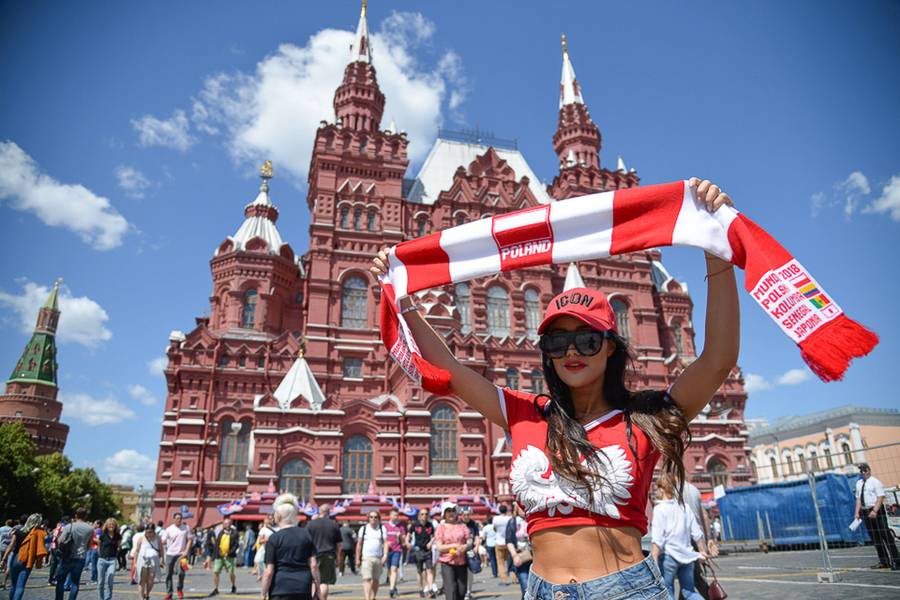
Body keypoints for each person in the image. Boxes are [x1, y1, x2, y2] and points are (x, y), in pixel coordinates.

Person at [370, 178, 737, 599]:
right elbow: (449, 368)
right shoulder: (527, 412)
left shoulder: (644, 418)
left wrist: (716, 250)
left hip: (626, 590)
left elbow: (717, 359)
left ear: (610, 347)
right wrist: (403, 298)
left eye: (587, 340)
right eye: (558, 343)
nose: (572, 352)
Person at [651, 474, 709, 600]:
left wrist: (653, 560)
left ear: (662, 489)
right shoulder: (685, 507)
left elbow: (658, 540)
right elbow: (697, 533)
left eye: (658, 488)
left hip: (668, 557)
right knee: (689, 592)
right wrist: (702, 552)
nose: (657, 492)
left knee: (667, 592)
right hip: (687, 556)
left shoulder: (659, 509)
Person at [262, 493, 320, 600]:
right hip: (303, 587)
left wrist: (263, 592)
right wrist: (317, 588)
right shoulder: (306, 535)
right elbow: (313, 565)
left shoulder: (274, 538)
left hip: (280, 588)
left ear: (278, 516)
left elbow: (269, 571)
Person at [855, 462, 900, 570]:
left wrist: (875, 510)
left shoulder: (875, 482)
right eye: (861, 471)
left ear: (869, 470)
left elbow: (880, 497)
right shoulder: (859, 483)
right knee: (875, 539)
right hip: (865, 511)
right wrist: (857, 512)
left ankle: (897, 561)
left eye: (865, 470)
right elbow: (858, 499)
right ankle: (884, 561)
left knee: (886, 536)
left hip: (877, 511)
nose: (863, 472)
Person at [680, 480, 718, 599]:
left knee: (693, 577)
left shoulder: (672, 491)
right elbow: (704, 516)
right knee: (689, 577)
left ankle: (709, 597)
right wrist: (708, 539)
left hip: (683, 540)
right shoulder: (694, 490)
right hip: (697, 539)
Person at [1, 513, 47, 600]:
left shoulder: (18, 532)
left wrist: (4, 559)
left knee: (13, 585)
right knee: (20, 586)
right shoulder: (39, 533)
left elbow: (11, 545)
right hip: (28, 559)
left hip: (16, 557)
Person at [55, 506, 95, 600]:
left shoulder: (69, 526)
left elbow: (61, 541)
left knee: (61, 581)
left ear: (76, 515)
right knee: (75, 583)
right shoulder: (90, 529)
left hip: (67, 556)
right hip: (80, 557)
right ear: (86, 516)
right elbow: (89, 545)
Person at [307, 503, 343, 600]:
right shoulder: (334, 524)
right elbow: (339, 545)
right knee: (324, 582)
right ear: (329, 512)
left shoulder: (311, 524)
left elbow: (306, 541)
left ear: (319, 511)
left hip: (313, 555)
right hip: (329, 555)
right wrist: (338, 558)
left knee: (313, 580)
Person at [435, 503, 470, 600]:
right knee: (451, 590)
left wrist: (465, 547)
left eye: (453, 511)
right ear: (444, 514)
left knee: (462, 590)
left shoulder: (462, 526)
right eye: (448, 511)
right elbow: (439, 547)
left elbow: (469, 541)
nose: (451, 513)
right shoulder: (441, 528)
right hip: (447, 562)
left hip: (462, 562)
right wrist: (454, 546)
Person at [356, 511, 389, 600]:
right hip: (366, 557)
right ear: (368, 518)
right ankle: (367, 598)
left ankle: (373, 597)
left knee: (376, 579)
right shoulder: (363, 529)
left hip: (378, 557)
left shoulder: (382, 528)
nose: (373, 519)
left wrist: (385, 555)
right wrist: (357, 558)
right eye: (371, 517)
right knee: (367, 578)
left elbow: (385, 543)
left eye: (375, 517)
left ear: (378, 518)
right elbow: (359, 544)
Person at [160, 512, 192, 600]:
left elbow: (190, 540)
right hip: (170, 554)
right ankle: (169, 593)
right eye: (177, 518)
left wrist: (186, 551)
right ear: (174, 519)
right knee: (168, 574)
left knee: (181, 573)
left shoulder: (186, 528)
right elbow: (163, 541)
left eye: (180, 518)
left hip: (181, 554)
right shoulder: (168, 529)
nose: (179, 520)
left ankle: (179, 589)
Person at [407, 509, 436, 598]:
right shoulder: (414, 525)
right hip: (418, 550)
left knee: (429, 570)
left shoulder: (430, 525)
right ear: (419, 516)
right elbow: (408, 534)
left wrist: (431, 542)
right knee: (419, 571)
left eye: (426, 514)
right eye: (422, 514)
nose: (424, 516)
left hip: (427, 551)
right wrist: (407, 542)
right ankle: (421, 589)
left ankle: (430, 589)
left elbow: (434, 536)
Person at [504, 504, 531, 598]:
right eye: (521, 507)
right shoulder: (512, 522)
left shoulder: (533, 519)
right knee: (526, 587)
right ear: (517, 508)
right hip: (520, 557)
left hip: (535, 558)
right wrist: (514, 555)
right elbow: (509, 541)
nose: (524, 510)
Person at [210, 516, 238, 596]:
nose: (227, 525)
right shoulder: (220, 532)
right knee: (216, 571)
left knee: (231, 572)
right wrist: (215, 554)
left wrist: (229, 553)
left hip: (229, 556)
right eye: (225, 523)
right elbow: (217, 544)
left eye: (228, 523)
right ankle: (216, 588)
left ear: (231, 524)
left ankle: (233, 585)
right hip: (219, 555)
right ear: (223, 524)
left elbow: (236, 545)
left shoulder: (234, 533)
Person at [133, 524, 161, 600]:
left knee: (151, 580)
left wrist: (162, 560)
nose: (149, 533)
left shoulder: (157, 538)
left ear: (154, 531)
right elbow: (137, 551)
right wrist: (135, 563)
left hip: (153, 561)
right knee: (142, 580)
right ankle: (141, 598)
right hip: (142, 560)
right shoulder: (141, 538)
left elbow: (161, 549)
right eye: (147, 532)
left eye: (151, 532)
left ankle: (147, 593)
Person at [383, 509, 406, 598]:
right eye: (394, 515)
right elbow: (382, 539)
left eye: (397, 515)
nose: (395, 517)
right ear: (390, 516)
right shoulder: (385, 526)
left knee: (394, 569)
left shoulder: (400, 527)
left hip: (397, 550)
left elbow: (403, 542)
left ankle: (391, 589)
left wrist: (400, 536)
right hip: (387, 550)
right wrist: (385, 543)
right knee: (389, 570)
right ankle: (394, 586)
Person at [97, 518, 121, 600]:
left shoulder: (118, 536)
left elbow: (119, 546)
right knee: (100, 582)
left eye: (113, 524)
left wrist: (117, 551)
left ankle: (108, 598)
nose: (111, 526)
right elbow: (99, 546)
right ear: (106, 526)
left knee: (110, 580)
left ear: (115, 526)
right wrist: (100, 554)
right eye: (109, 524)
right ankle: (101, 598)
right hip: (102, 560)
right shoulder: (102, 535)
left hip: (112, 560)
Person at [490, 506, 513, 586]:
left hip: (499, 542)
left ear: (499, 511)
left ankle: (504, 579)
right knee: (512, 561)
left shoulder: (495, 518)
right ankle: (514, 577)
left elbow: (494, 529)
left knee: (500, 563)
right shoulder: (509, 518)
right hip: (509, 542)